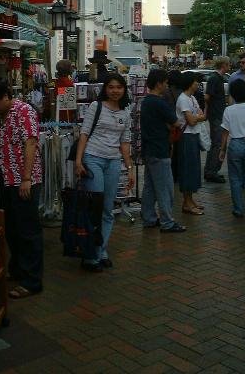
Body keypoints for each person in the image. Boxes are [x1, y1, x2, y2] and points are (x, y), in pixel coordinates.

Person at [0, 79, 43, 298]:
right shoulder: (4, 116)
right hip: (7, 181)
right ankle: (18, 269)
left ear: (6, 97)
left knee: (28, 231)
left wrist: (26, 178)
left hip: (23, 182)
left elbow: (31, 142)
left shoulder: (23, 111)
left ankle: (32, 281)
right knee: (13, 230)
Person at [75, 73, 134, 272]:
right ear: (105, 89)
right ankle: (90, 255)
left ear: (124, 89)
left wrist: (130, 168)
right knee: (95, 206)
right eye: (111, 87)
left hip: (113, 162)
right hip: (93, 159)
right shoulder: (96, 106)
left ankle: (101, 250)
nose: (115, 90)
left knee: (108, 209)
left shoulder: (126, 113)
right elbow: (84, 133)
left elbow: (125, 143)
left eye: (119, 87)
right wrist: (78, 160)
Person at [140, 69, 186, 233]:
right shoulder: (159, 103)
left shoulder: (146, 102)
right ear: (159, 83)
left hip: (149, 149)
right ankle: (167, 221)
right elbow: (177, 123)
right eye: (165, 82)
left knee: (150, 187)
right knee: (165, 188)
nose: (167, 85)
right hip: (160, 150)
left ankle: (149, 218)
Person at [219, 79, 245, 221]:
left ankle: (238, 209)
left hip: (235, 144)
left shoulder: (229, 110)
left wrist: (222, 150)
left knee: (235, 178)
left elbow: (225, 133)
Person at [176, 72, 206, 215]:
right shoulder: (183, 99)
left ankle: (190, 200)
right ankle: (187, 202)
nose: (197, 84)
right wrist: (198, 117)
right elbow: (193, 120)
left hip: (193, 136)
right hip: (186, 137)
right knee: (187, 168)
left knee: (193, 168)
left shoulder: (192, 98)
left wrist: (197, 117)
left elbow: (200, 115)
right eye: (195, 82)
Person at [204, 57, 230, 184]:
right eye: (228, 64)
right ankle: (211, 171)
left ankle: (211, 170)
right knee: (217, 143)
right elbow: (208, 97)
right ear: (224, 65)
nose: (229, 66)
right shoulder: (215, 79)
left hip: (217, 115)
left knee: (217, 143)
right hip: (216, 116)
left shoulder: (217, 78)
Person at [164, 70, 182, 182]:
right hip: (180, 125)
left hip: (169, 124)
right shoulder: (182, 92)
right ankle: (177, 173)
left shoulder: (166, 92)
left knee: (170, 149)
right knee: (178, 150)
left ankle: (170, 173)